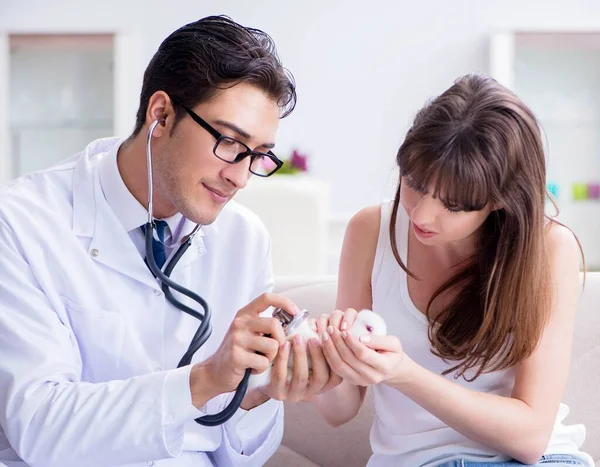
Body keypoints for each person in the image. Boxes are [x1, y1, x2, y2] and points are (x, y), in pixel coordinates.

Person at [0, 15, 339, 467]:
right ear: (161, 114)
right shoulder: (22, 221)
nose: (239, 177)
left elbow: (233, 456)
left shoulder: (243, 238)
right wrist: (203, 380)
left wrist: (257, 392)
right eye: (229, 142)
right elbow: (39, 428)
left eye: (257, 156)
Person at [311, 74, 594, 466]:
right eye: (414, 182)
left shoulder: (548, 249)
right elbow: (337, 411)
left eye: (454, 204)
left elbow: (531, 438)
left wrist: (404, 373)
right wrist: (318, 359)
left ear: (498, 200)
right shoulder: (369, 231)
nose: (422, 213)